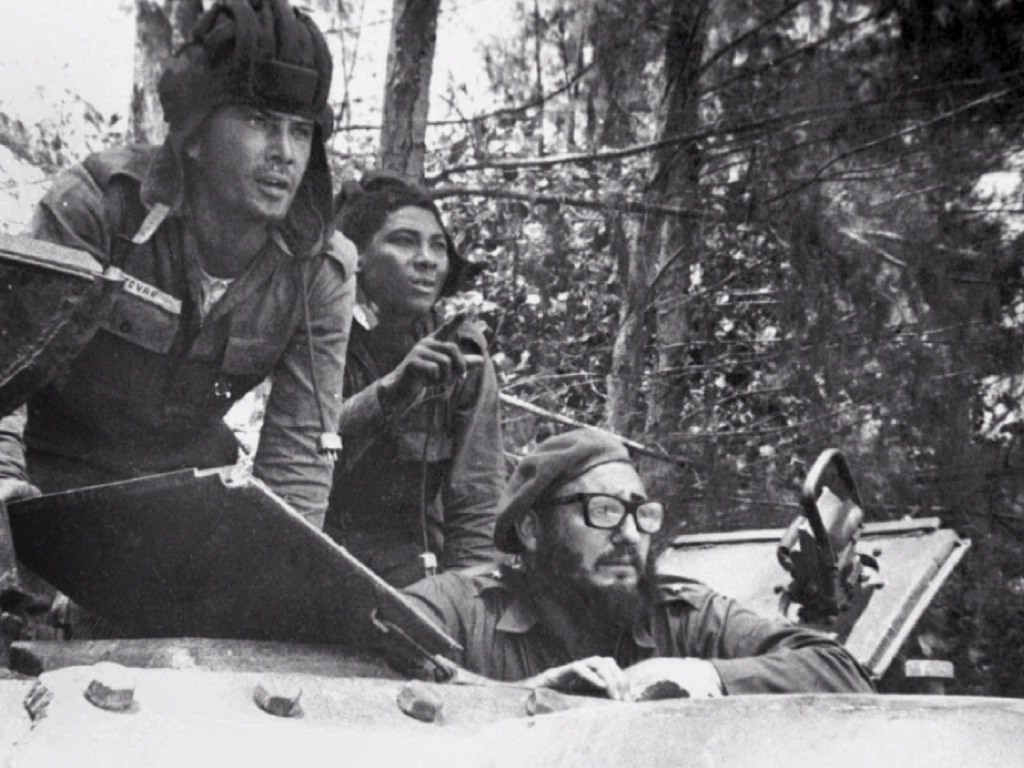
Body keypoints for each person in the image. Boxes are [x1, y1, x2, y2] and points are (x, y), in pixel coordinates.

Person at [0, 0, 356, 529]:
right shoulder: (100, 206)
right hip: (47, 481)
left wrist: (282, 564)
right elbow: (6, 374)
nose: (284, 152)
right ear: (195, 137)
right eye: (259, 121)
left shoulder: (317, 269)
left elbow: (298, 460)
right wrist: (6, 486)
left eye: (300, 131)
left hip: (179, 505)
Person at [402, 428, 877, 698]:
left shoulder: (684, 617)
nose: (630, 534)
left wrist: (703, 675)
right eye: (604, 510)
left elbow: (840, 671)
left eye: (641, 515)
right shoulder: (462, 609)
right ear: (531, 529)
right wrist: (527, 695)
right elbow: (362, 665)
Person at [325, 173, 503, 587]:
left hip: (412, 564)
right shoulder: (323, 333)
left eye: (438, 246)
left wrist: (467, 598)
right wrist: (390, 392)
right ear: (358, 256)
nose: (427, 259)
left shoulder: (462, 350)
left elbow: (476, 497)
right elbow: (304, 449)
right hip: (320, 544)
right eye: (404, 241)